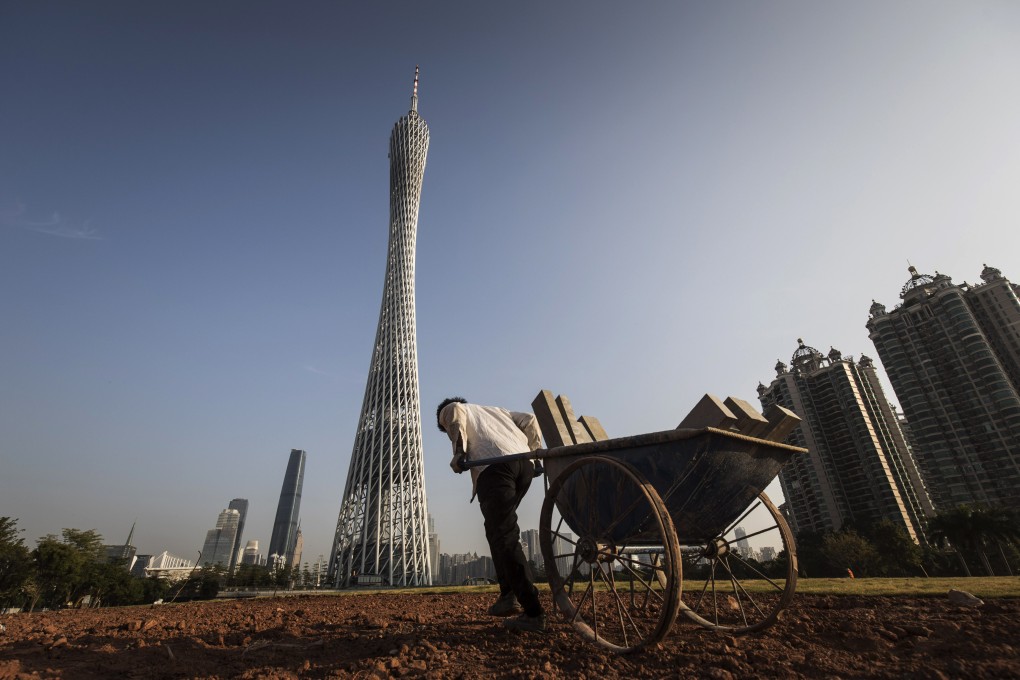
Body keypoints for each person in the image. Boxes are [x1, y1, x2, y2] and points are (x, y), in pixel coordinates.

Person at [436, 396, 547, 633]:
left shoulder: (451, 409)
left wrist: (459, 453)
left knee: (505, 535)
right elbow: (530, 420)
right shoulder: (499, 410)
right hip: (523, 465)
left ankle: (533, 611)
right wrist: (536, 454)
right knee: (496, 531)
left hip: (494, 468)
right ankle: (508, 594)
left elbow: (454, 411)